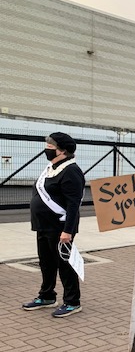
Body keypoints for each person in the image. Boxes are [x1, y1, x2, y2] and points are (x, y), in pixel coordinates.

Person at [23, 133, 86, 318]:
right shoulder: (52, 168)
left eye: (50, 147)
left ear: (63, 150)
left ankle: (72, 301)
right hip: (43, 225)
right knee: (46, 263)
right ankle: (47, 296)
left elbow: (74, 204)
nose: (47, 150)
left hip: (60, 228)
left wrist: (68, 230)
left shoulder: (71, 171)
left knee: (64, 265)